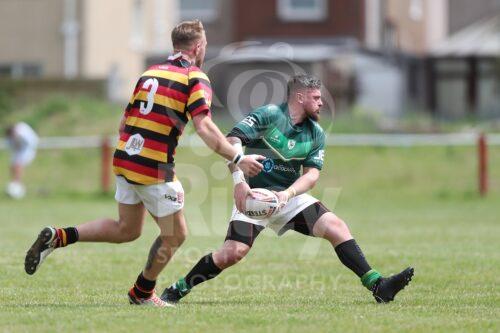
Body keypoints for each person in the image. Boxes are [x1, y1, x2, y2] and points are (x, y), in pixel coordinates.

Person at [24, 20, 264, 307]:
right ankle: (142, 293)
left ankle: (59, 237)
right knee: (176, 235)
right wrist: (238, 158)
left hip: (125, 157)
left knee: (127, 229)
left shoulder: (150, 72)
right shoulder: (194, 77)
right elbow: (205, 127)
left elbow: (124, 122)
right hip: (153, 166)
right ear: (199, 46)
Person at [161, 75, 414, 304]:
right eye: (316, 98)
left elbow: (312, 174)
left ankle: (378, 285)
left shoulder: (315, 133)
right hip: (253, 197)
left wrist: (288, 194)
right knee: (231, 254)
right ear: (299, 97)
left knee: (336, 227)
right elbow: (233, 139)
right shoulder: (270, 115)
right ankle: (178, 288)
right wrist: (239, 181)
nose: (321, 103)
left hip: (288, 197)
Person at [5, 122, 39, 199]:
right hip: (18, 151)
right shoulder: (10, 138)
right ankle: (15, 183)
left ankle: (17, 184)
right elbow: (12, 147)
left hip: (28, 150)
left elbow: (33, 141)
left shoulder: (23, 131)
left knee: (18, 166)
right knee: (13, 166)